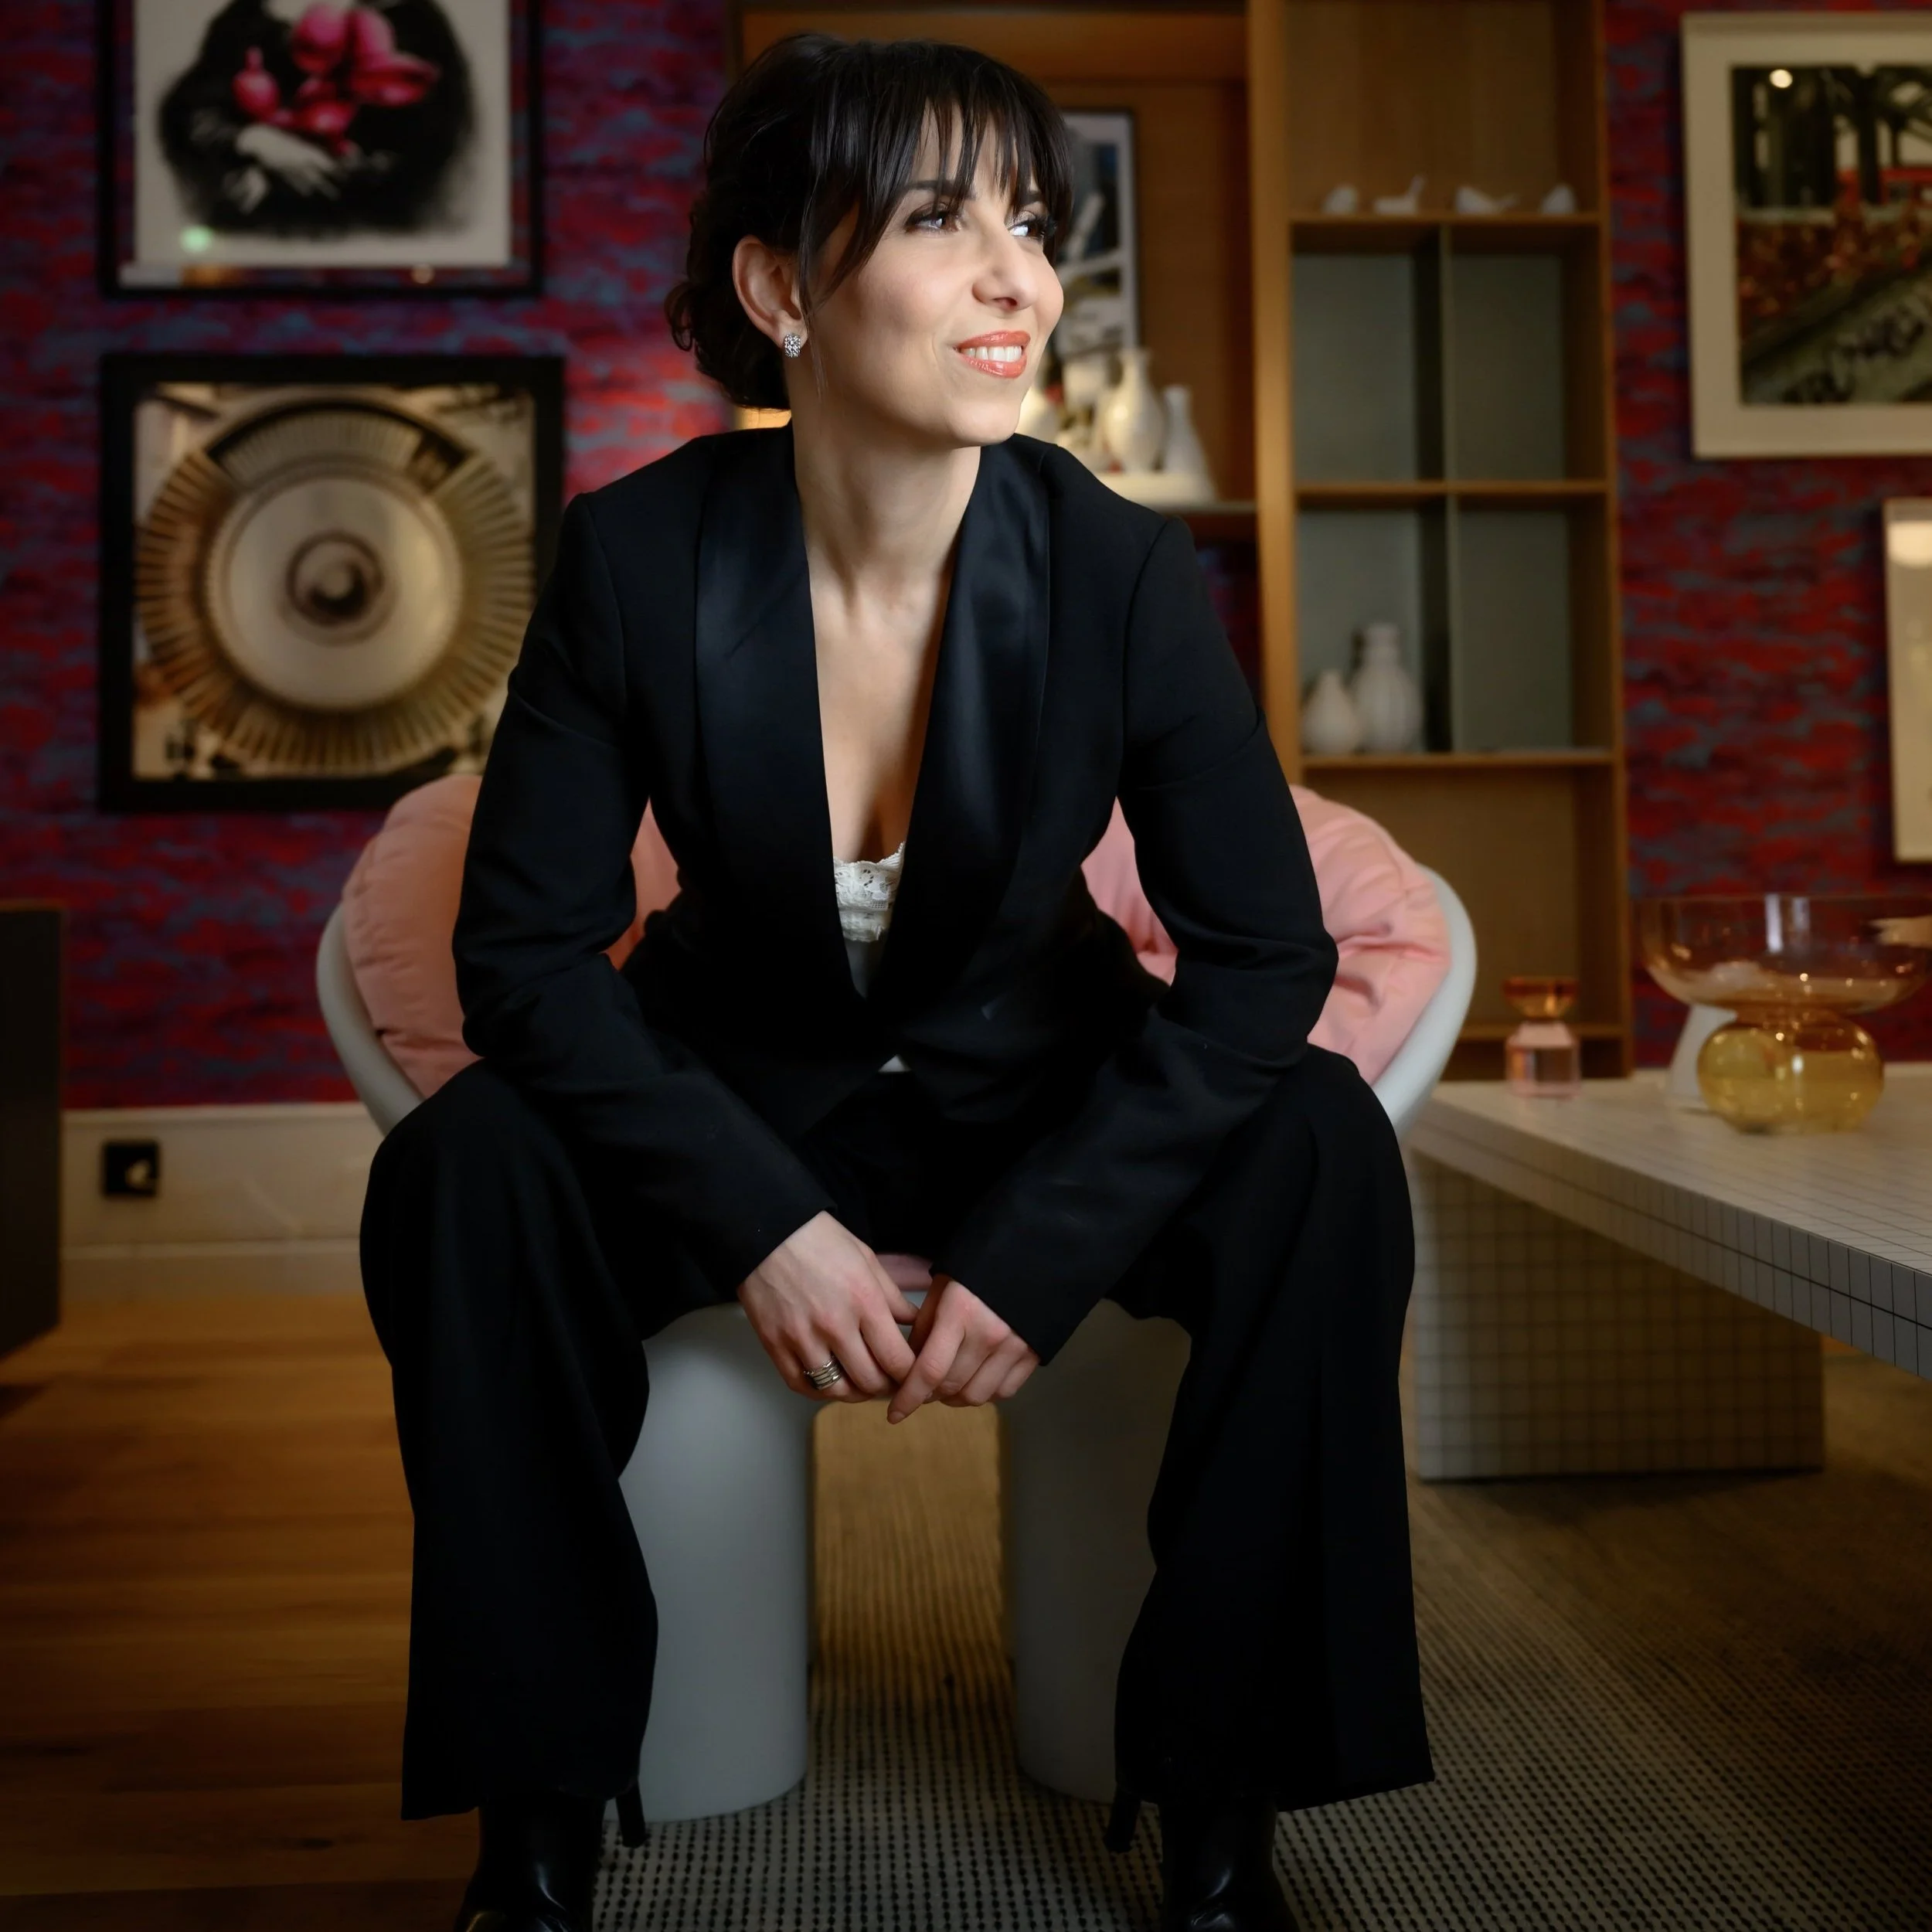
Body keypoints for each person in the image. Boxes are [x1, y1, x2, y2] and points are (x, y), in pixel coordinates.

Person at [358, 31, 1434, 1932]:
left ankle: (1219, 1800)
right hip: (737, 1091)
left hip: (1040, 1088)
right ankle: (533, 1811)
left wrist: (1041, 1246)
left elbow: (1263, 953)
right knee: (463, 1173)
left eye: (1029, 220)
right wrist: (762, 1219)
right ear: (781, 284)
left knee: (1320, 1151)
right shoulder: (632, 557)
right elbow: (522, 955)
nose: (1018, 272)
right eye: (941, 219)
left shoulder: (1114, 567)